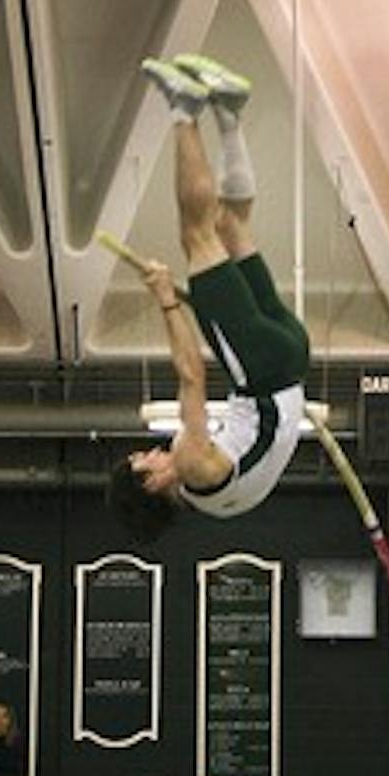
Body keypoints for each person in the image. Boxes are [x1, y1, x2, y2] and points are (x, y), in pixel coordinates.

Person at [108, 54, 310, 537]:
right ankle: (184, 110)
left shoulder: (223, 501)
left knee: (230, 226)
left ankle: (230, 114)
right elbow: (191, 376)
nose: (155, 453)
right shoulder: (193, 465)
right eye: (145, 460)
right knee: (198, 236)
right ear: (153, 485)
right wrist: (166, 300)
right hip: (261, 369)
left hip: (291, 359)